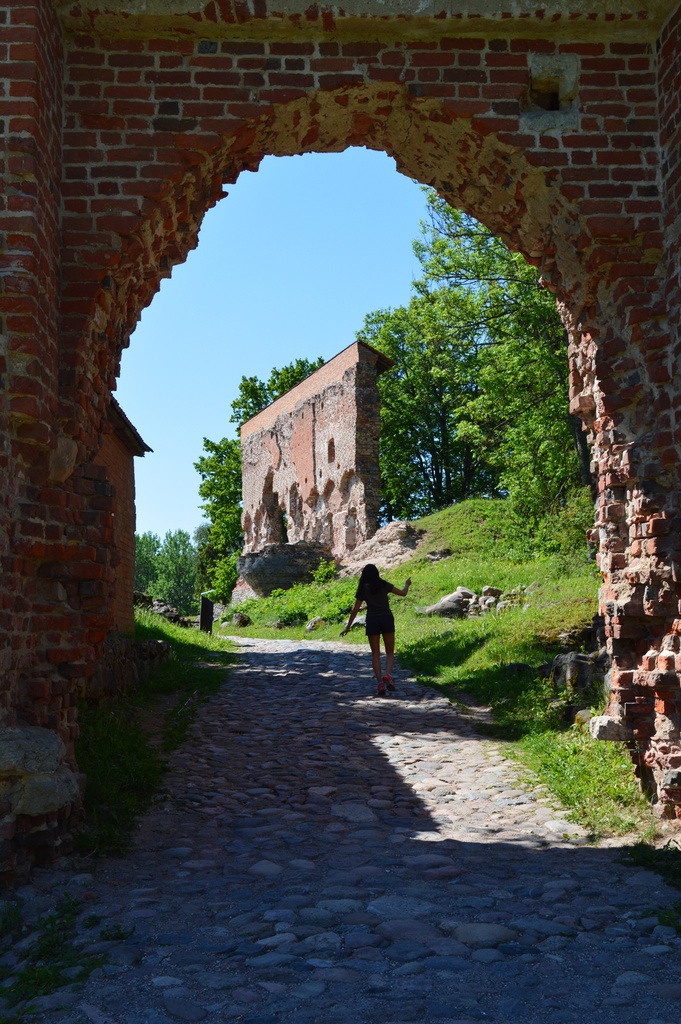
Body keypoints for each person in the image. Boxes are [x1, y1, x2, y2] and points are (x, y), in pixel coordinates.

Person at [340, 563, 411, 697]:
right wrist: (407, 584)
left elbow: (355, 609)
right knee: (389, 652)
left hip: (372, 620)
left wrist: (348, 626)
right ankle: (388, 675)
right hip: (386, 619)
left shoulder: (363, 588)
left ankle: (379, 683)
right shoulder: (383, 584)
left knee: (375, 654)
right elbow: (403, 593)